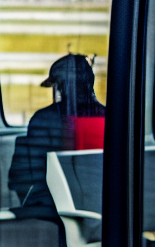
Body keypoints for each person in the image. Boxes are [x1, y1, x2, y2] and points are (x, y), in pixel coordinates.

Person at [9, 54, 105, 214]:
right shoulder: (113, 119)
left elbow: (22, 178)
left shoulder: (43, 120)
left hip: (55, 214)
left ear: (60, 87)